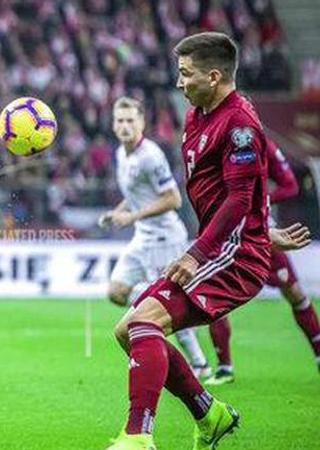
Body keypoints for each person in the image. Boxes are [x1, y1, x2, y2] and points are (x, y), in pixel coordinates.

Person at [106, 32, 311, 450]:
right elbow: (236, 197)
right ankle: (209, 414)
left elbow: (239, 197)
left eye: (186, 74)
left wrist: (200, 251)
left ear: (214, 76)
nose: (179, 83)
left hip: (232, 257)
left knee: (145, 323)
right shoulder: (199, 112)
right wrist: (258, 228)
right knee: (127, 329)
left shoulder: (239, 124)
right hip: (229, 243)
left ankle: (137, 436)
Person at [99, 96, 210, 379]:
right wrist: (118, 212)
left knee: (163, 302)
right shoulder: (121, 153)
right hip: (142, 237)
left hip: (164, 238)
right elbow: (134, 193)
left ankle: (199, 364)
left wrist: (132, 217)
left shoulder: (151, 155)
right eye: (120, 121)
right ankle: (168, 306)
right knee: (116, 291)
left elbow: (173, 199)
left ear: (142, 123)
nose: (124, 126)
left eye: (130, 121)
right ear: (113, 125)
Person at [206, 138, 320, 385]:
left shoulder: (263, 144)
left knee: (295, 293)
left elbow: (290, 185)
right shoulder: (214, 142)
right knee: (212, 297)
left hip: (260, 233)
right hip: (224, 233)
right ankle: (224, 367)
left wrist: (263, 200)